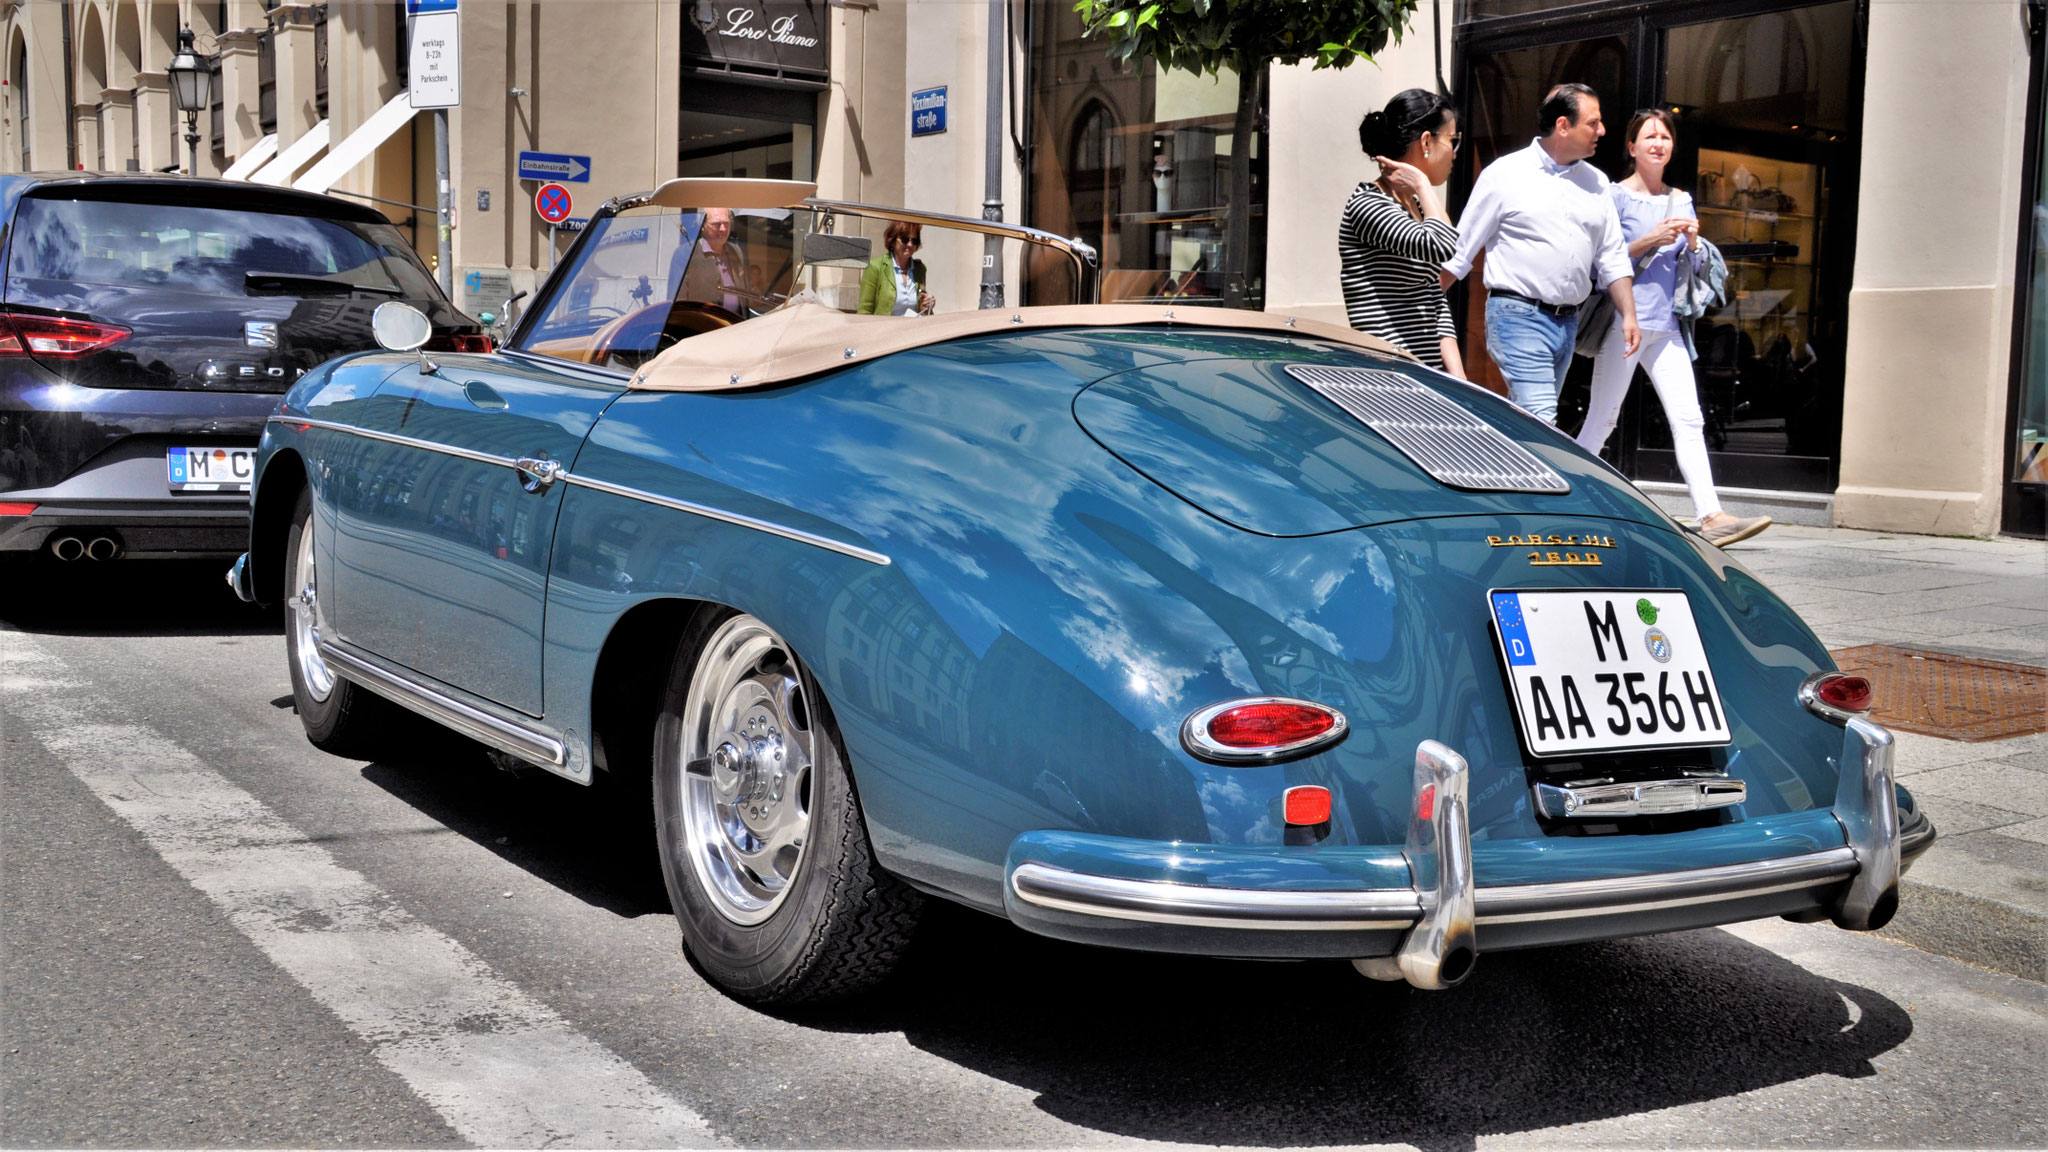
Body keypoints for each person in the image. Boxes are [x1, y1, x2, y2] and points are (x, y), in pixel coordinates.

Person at [1577, 109, 1771, 547]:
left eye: (1665, 136)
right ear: (1631, 147)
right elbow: (1601, 262)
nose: (1658, 143)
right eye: (1649, 136)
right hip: (1624, 324)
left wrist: (1694, 244)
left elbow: (1696, 267)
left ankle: (1711, 515)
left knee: (1689, 419)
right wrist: (1650, 240)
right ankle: (1566, 500)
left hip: (1667, 326)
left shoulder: (1680, 199)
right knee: (1603, 418)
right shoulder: (1615, 196)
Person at [1441, 82, 1639, 425]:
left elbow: (1612, 256)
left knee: (1528, 425)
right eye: (1593, 123)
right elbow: (1461, 252)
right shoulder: (1504, 174)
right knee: (1542, 418)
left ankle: (1498, 474)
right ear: (1563, 126)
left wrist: (1630, 315)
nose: (1602, 131)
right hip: (1517, 315)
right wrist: (1419, 301)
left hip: (1568, 324)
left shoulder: (1597, 183)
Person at [1340, 88, 1466, 376]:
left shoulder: (1417, 206)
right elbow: (1443, 246)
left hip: (1425, 371)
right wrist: (1423, 183)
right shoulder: (1368, 204)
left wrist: (1459, 376)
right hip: (1387, 373)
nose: (1455, 154)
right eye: (1452, 140)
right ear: (1426, 141)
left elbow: (1433, 293)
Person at [676, 207, 750, 315]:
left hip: (735, 326)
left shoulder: (736, 251)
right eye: (717, 224)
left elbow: (745, 296)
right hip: (704, 328)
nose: (723, 229)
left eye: (726, 223)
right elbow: (679, 305)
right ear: (702, 226)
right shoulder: (685, 254)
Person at [858, 221, 935, 315]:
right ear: (893, 240)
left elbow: (921, 312)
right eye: (905, 240)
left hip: (913, 328)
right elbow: (864, 311)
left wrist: (927, 306)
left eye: (914, 241)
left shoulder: (919, 269)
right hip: (885, 328)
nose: (910, 245)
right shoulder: (875, 267)